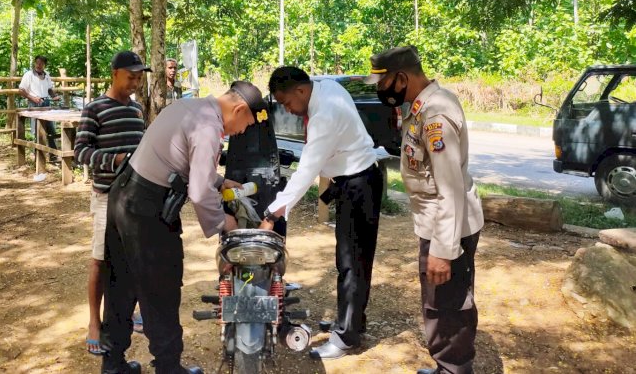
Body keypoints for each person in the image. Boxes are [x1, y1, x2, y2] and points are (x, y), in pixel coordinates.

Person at [100, 80, 269, 374]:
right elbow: (200, 194)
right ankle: (168, 367)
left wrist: (220, 181)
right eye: (246, 124)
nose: (242, 131)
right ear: (239, 108)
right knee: (161, 289)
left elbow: (179, 158)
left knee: (121, 285)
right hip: (146, 211)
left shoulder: (190, 107)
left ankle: (112, 364)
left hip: (122, 197)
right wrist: (225, 223)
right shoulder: (209, 127)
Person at [364, 46, 483, 374]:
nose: (379, 89)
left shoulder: (435, 115)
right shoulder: (422, 107)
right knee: (441, 302)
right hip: (439, 223)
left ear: (401, 78)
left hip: (448, 227)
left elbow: (450, 187)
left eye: (382, 81)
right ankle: (448, 365)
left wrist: (443, 250)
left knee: (447, 304)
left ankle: (454, 368)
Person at [258, 66, 383, 360]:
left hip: (358, 185)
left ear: (301, 91)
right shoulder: (324, 86)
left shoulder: (324, 114)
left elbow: (307, 171)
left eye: (287, 102)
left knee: (351, 263)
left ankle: (345, 338)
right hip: (354, 180)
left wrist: (273, 214)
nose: (287, 109)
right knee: (353, 260)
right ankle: (350, 322)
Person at [75, 51, 149, 357]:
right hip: (106, 196)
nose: (135, 82)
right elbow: (80, 152)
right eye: (130, 76)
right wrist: (115, 160)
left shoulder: (137, 111)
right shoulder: (94, 109)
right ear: (114, 73)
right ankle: (94, 323)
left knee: (135, 258)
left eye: (139, 77)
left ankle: (128, 313)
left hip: (135, 198)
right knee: (101, 260)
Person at [19, 55, 60, 155]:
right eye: (37, 63)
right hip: (34, 104)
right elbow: (21, 90)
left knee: (51, 129)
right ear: (34, 63)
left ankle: (53, 154)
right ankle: (37, 155)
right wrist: (33, 98)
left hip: (46, 103)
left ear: (44, 65)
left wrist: (54, 96)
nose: (38, 65)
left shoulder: (47, 75)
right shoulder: (28, 75)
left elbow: (49, 89)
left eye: (41, 63)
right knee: (36, 130)